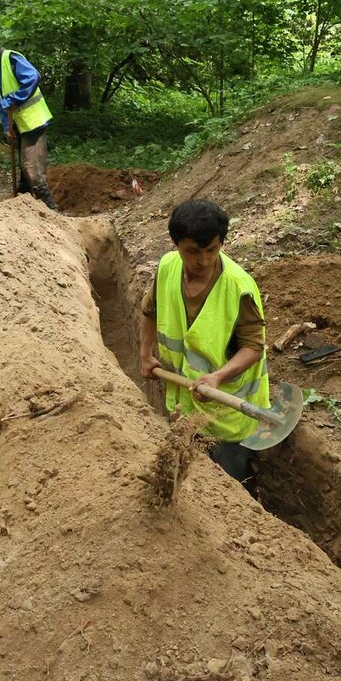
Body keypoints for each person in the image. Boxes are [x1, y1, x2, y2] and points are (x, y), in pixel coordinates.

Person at [139, 199, 269, 485]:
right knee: (194, 483)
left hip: (227, 412)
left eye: (212, 250)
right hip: (184, 402)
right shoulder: (167, 268)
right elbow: (150, 310)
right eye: (193, 252)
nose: (204, 261)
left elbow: (253, 347)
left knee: (230, 484)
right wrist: (145, 354)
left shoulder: (239, 287)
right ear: (176, 244)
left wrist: (218, 377)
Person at [0, 32, 58, 211]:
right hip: (21, 124)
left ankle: (52, 211)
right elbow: (3, 102)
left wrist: (14, 99)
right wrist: (7, 128)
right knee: (25, 172)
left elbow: (33, 77)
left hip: (34, 121)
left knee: (32, 170)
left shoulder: (11, 59)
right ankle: (21, 208)